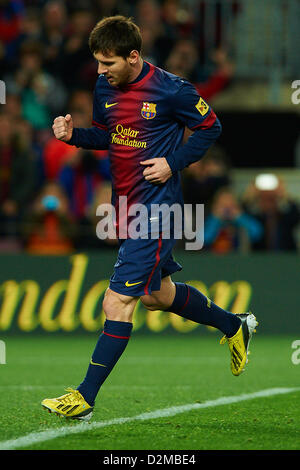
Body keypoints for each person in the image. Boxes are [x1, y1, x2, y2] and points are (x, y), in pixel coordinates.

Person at [41, 15, 258, 421]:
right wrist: (75, 137)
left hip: (155, 208)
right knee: (158, 296)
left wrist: (173, 163)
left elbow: (211, 126)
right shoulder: (105, 85)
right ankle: (235, 325)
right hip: (125, 205)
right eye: (99, 64)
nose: (101, 71)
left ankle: (84, 398)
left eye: (108, 64)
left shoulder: (171, 89)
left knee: (117, 299)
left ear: (134, 56)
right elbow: (109, 135)